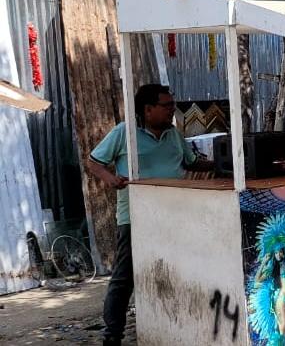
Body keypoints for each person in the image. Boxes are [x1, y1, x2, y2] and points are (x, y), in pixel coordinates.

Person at [83, 84, 214, 346]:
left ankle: (177, 326)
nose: (171, 110)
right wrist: (111, 179)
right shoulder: (125, 133)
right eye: (166, 106)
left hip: (176, 215)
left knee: (179, 270)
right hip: (136, 218)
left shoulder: (174, 135)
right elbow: (93, 161)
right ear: (148, 109)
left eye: (172, 105)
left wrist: (225, 162)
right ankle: (113, 335)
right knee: (125, 277)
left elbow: (190, 162)